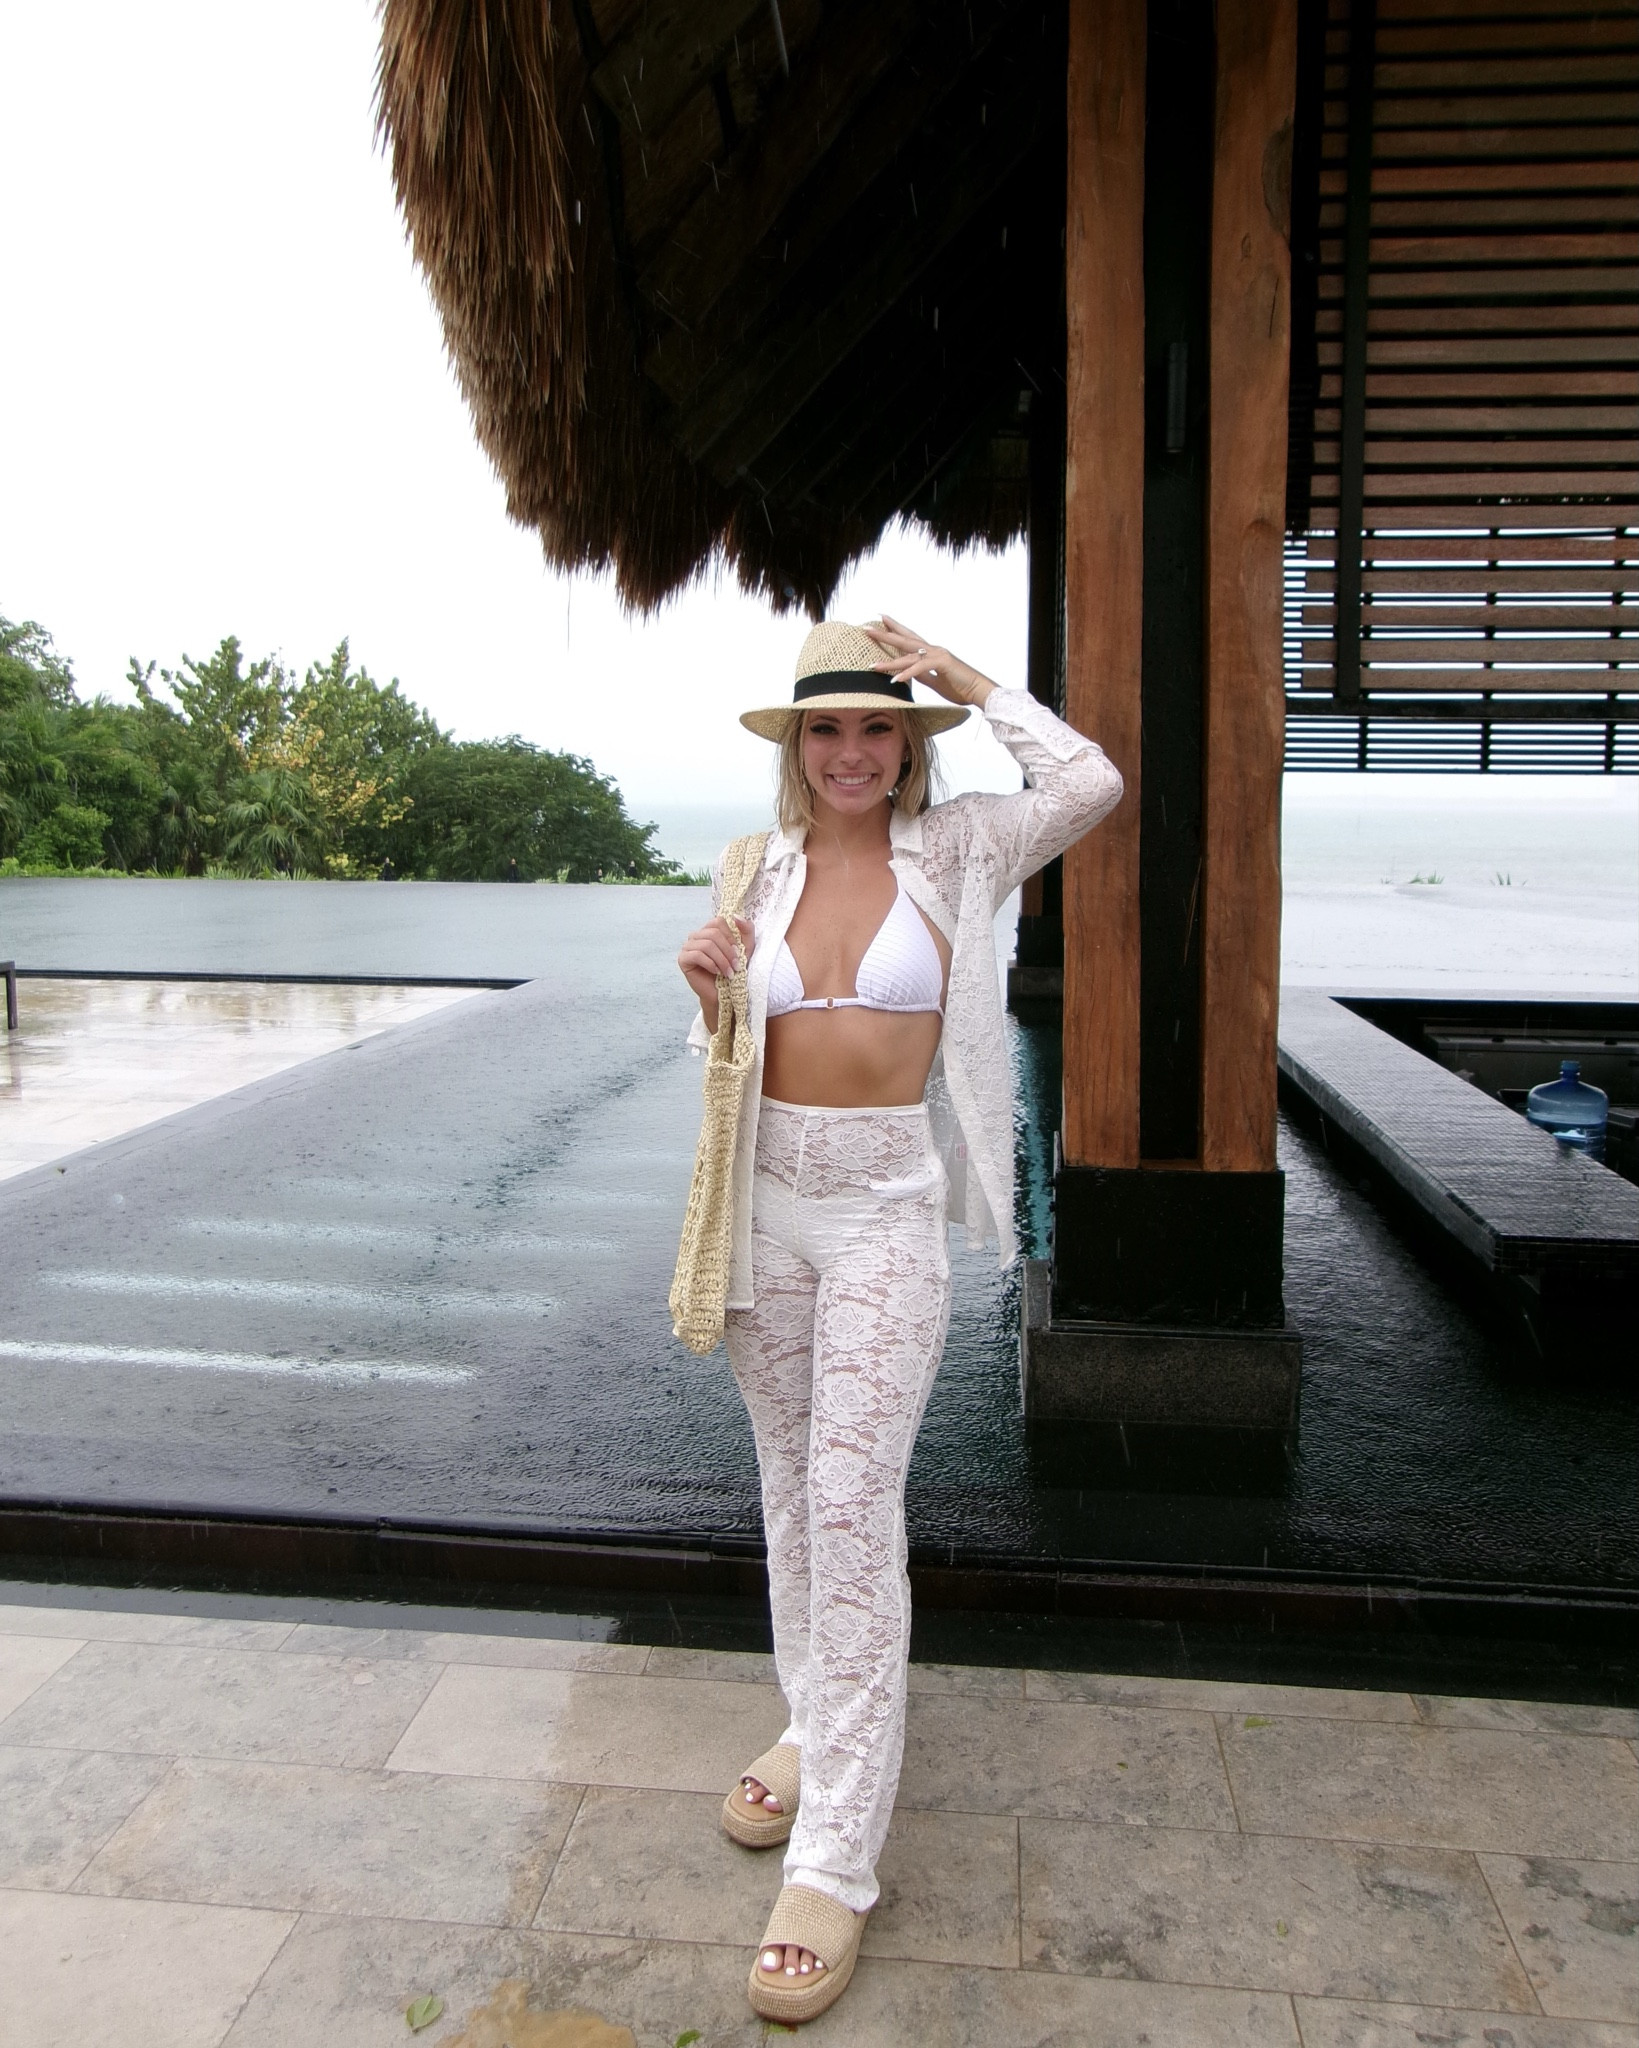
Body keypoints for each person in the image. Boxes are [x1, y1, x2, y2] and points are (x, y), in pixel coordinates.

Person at [676, 615, 1122, 2023]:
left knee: (856, 1504)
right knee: (793, 1495)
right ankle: (815, 1722)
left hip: (882, 1211)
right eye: (828, 729)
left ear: (909, 741)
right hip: (766, 1211)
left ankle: (836, 1858)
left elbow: (1091, 782)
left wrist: (967, 676)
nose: (854, 752)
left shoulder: (965, 849)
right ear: (795, 750)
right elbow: (732, 1057)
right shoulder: (756, 865)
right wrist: (706, 998)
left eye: (878, 727)